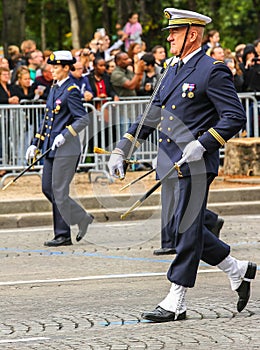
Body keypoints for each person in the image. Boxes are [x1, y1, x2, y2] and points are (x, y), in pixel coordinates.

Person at [107, 7, 256, 321]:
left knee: (185, 229)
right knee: (179, 228)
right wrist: (122, 148)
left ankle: (176, 301)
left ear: (192, 34)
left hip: (197, 165)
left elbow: (234, 117)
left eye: (175, 32)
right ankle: (237, 269)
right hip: (171, 163)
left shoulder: (212, 69)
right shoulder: (171, 69)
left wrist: (203, 143)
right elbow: (152, 114)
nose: (170, 37)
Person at [25, 51, 94, 247]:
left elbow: (83, 119)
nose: (52, 70)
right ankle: (82, 217)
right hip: (51, 149)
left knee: (59, 191)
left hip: (67, 150)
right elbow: (46, 120)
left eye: (56, 67)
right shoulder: (55, 88)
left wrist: (65, 133)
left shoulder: (71, 90)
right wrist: (35, 143)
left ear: (66, 68)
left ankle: (63, 234)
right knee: (48, 188)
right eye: (51, 67)